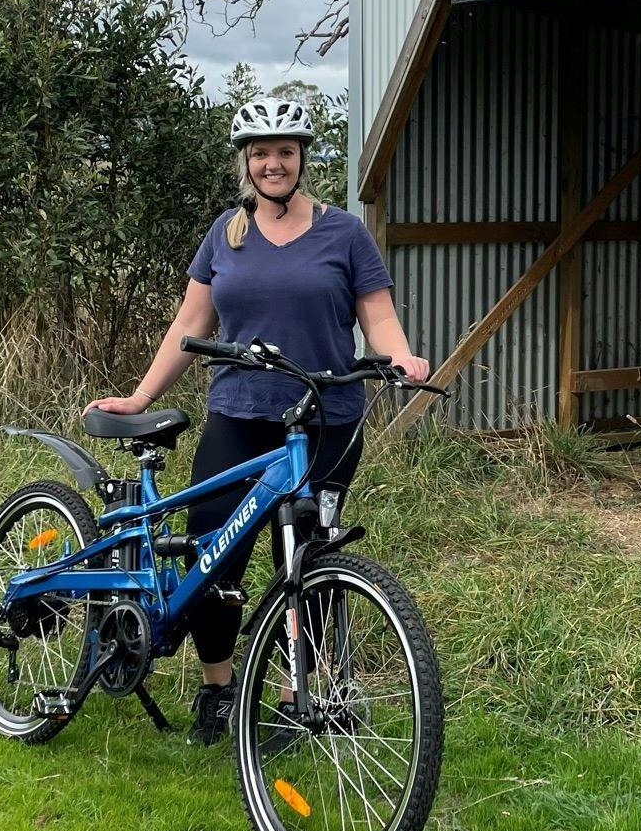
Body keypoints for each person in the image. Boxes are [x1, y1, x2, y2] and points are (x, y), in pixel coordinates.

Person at [85, 94, 431, 745]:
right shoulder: (227, 232)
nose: (273, 163)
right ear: (248, 162)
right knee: (216, 559)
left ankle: (290, 696)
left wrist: (400, 355)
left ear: (303, 159)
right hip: (238, 417)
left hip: (326, 420)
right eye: (261, 153)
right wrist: (138, 396)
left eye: (285, 152)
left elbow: (377, 316)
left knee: (309, 558)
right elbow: (191, 324)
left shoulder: (344, 233)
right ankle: (217, 688)